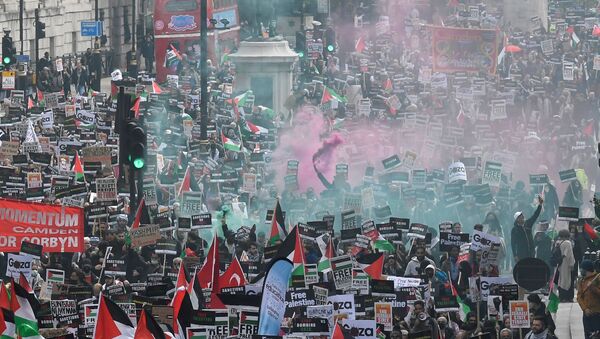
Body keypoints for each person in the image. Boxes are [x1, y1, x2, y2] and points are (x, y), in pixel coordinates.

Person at [511, 195, 543, 263]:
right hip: (521, 253)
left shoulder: (528, 224)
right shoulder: (514, 230)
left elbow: (535, 215)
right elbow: (513, 243)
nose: (522, 218)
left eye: (522, 216)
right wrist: (515, 255)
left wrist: (540, 205)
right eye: (520, 217)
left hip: (531, 251)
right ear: (517, 219)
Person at [576, 259, 600, 339]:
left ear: (586, 269)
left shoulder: (598, 278)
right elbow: (579, 296)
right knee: (588, 335)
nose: (580, 270)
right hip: (586, 314)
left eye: (582, 268)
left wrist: (594, 288)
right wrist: (585, 309)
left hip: (597, 314)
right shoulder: (581, 280)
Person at [555, 229, 576, 302]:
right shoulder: (568, 243)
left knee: (561, 280)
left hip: (560, 264)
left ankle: (562, 297)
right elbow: (570, 255)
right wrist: (572, 264)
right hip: (567, 264)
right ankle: (569, 297)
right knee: (568, 281)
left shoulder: (558, 242)